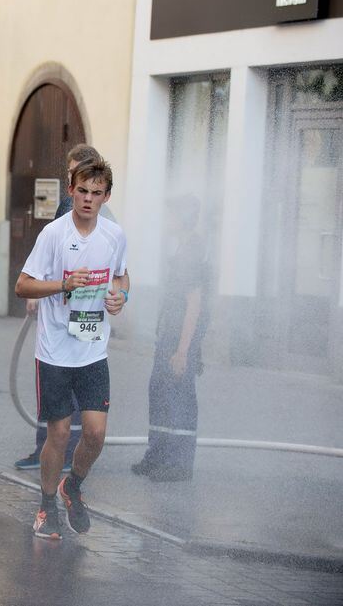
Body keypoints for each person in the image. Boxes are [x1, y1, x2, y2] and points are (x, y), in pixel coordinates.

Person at [14, 159, 128, 540]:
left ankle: (72, 486)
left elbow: (122, 274)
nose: (88, 199)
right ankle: (47, 504)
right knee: (59, 435)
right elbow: (23, 285)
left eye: (97, 193)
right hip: (55, 352)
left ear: (106, 197)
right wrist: (62, 286)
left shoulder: (114, 235)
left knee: (95, 434)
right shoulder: (53, 234)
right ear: (71, 190)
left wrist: (121, 296)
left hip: (93, 349)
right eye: (83, 191)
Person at [15, 143, 104, 472]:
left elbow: (52, 260)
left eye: (71, 171)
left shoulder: (70, 204)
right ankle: (67, 453)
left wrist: (38, 292)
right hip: (87, 314)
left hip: (62, 312)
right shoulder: (104, 208)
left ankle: (51, 452)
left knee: (57, 380)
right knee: (79, 380)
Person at [132, 196, 208, 482]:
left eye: (170, 215)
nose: (166, 220)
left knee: (179, 398)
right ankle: (159, 454)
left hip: (180, 340)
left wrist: (183, 351)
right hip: (169, 337)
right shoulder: (183, 248)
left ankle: (179, 463)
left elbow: (194, 303)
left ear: (181, 218)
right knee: (161, 392)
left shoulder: (192, 252)